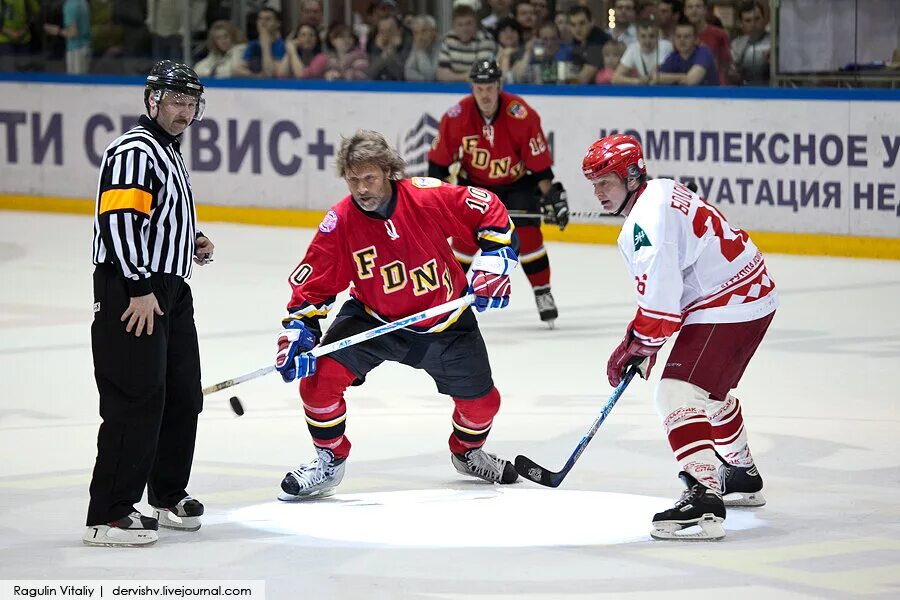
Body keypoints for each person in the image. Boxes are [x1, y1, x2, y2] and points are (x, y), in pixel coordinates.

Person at [274, 130, 520, 500]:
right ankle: (329, 460)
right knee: (318, 383)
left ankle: (467, 452)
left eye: (369, 177)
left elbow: (490, 209)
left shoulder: (426, 197)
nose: (361, 189)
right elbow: (314, 285)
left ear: (389, 172)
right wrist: (299, 332)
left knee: (484, 404)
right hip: (373, 320)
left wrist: (493, 264)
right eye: (353, 180)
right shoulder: (339, 223)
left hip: (445, 321)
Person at [580, 134, 777, 541]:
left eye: (606, 181)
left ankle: (705, 497)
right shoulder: (660, 191)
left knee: (674, 394)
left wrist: (635, 345)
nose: (598, 192)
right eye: (594, 184)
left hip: (730, 303)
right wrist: (644, 339)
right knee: (709, 394)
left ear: (632, 176)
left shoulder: (644, 223)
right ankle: (740, 473)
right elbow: (666, 301)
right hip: (748, 291)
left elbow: (660, 309)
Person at [84, 61, 214, 547]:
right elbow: (118, 221)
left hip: (171, 288)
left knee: (183, 394)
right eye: (175, 101)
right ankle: (109, 513)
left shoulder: (167, 150)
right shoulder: (135, 150)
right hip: (132, 290)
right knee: (135, 395)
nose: (183, 112)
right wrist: (138, 286)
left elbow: (154, 217)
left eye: (190, 103)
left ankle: (165, 493)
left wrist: (189, 239)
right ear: (152, 100)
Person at [428, 59, 568, 326]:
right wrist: (436, 201)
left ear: (499, 86)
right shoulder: (456, 116)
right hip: (476, 186)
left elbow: (539, 166)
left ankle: (543, 292)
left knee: (527, 235)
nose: (485, 94)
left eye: (490, 87)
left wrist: (550, 196)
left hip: (517, 184)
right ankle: (448, 295)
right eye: (479, 88)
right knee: (465, 239)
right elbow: (438, 166)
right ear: (472, 88)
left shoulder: (521, 113)